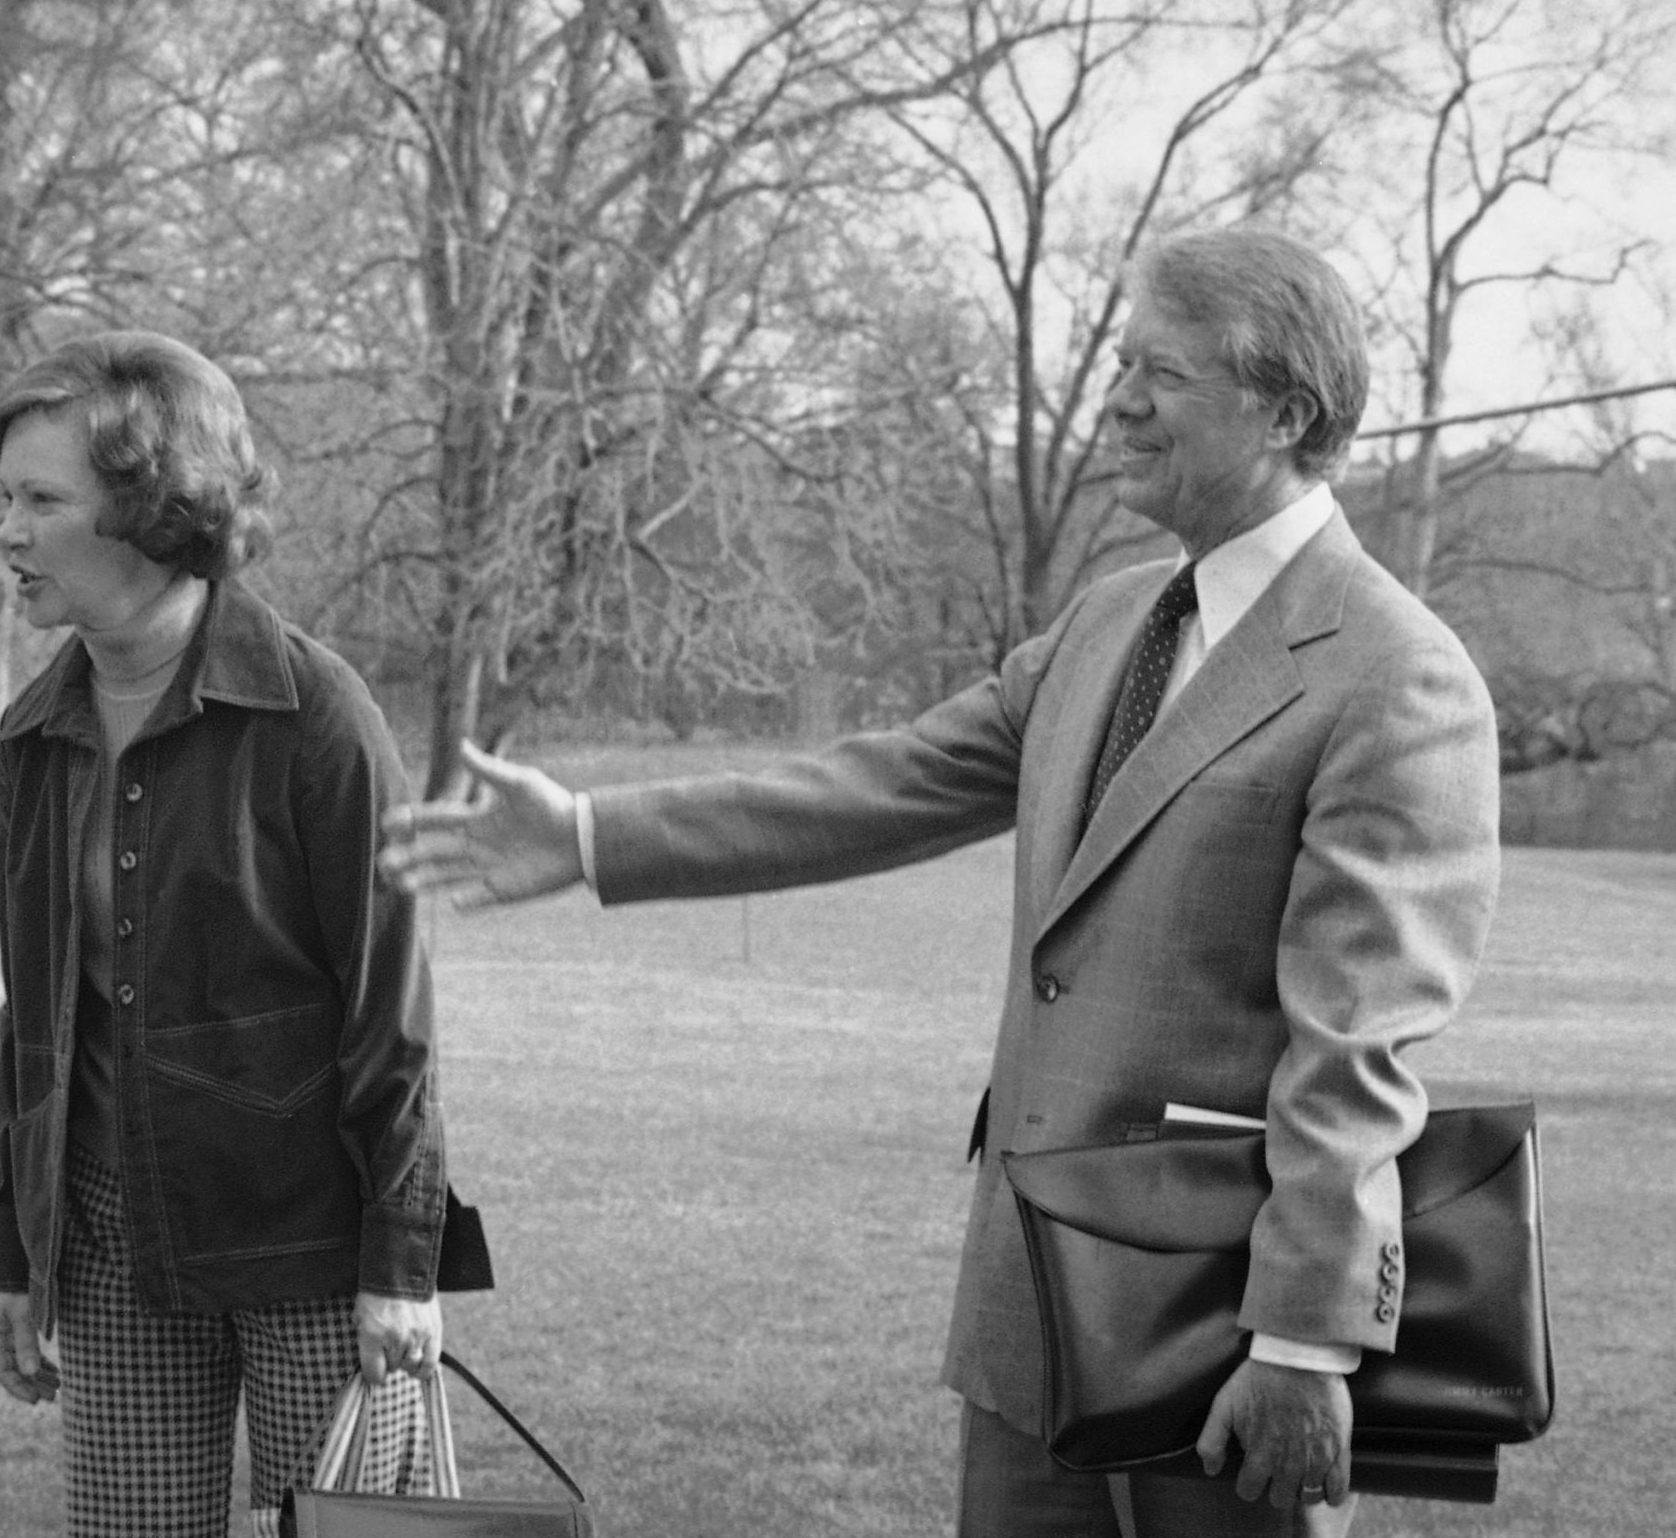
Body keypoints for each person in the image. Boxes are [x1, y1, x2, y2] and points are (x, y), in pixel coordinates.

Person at [380, 226, 1501, 1538]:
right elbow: (887, 782)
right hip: (1032, 1302)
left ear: (1287, 412)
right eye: (1122, 362)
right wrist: (587, 835)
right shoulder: (1110, 620)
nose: (1121, 401)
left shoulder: (1395, 677)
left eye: (1166, 374)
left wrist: (1304, 1340)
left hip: (1223, 1328)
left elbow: (1353, 1047)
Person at [0, 332, 452, 1537]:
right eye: (6, 498)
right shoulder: (32, 739)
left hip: (309, 1250)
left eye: (42, 499)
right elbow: (31, 1019)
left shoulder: (316, 714)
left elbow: (390, 1013)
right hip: (107, 1243)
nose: (8, 533)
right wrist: (15, 1252)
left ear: (152, 507)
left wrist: (398, 1266)